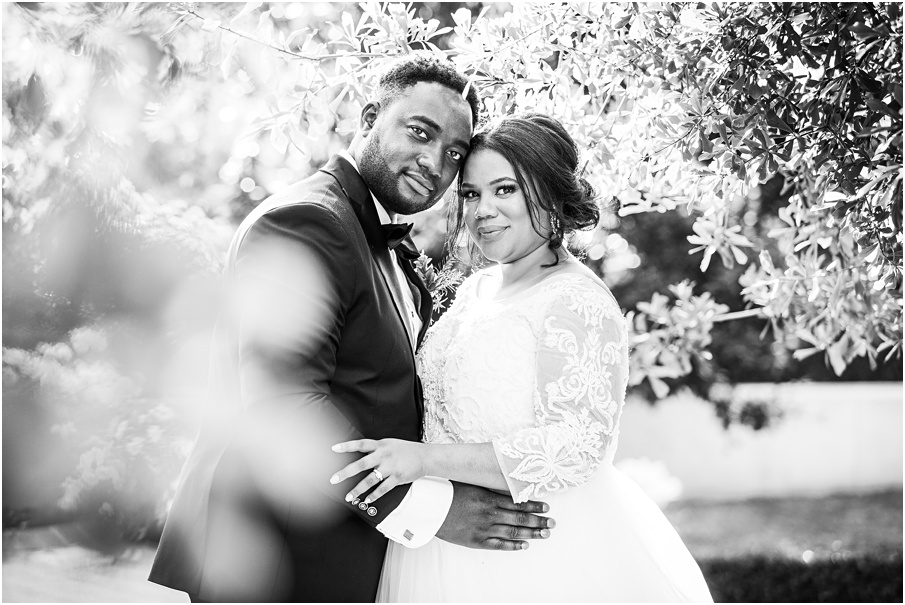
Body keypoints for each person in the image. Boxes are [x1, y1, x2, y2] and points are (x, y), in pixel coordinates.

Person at [148, 55, 554, 603]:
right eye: (420, 132)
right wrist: (430, 509)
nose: (435, 162)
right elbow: (285, 405)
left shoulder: (377, 241)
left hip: (336, 554)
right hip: (276, 558)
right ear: (369, 118)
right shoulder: (306, 222)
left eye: (455, 153)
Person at [331, 113, 716, 602]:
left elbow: (578, 445)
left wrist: (423, 460)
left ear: (551, 193)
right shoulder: (478, 288)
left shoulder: (575, 299)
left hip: (534, 553)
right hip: (442, 542)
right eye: (471, 194)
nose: (483, 210)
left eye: (505, 190)